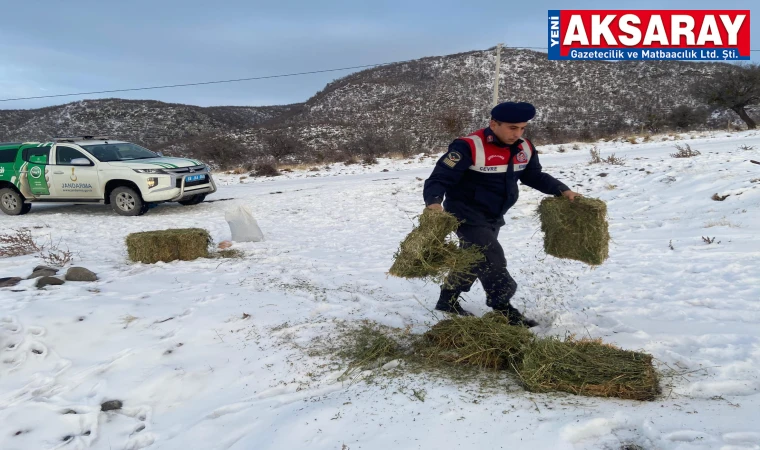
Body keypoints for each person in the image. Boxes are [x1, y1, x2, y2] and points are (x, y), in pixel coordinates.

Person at [423, 101, 582, 327]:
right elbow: (440, 178)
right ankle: (503, 307)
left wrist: (563, 190)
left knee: (473, 258)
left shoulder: (524, 147)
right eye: (512, 128)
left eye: (522, 128)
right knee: (492, 257)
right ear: (493, 124)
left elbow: (534, 176)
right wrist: (434, 203)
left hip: (494, 214)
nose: (517, 134)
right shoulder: (468, 146)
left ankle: (447, 299)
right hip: (465, 214)